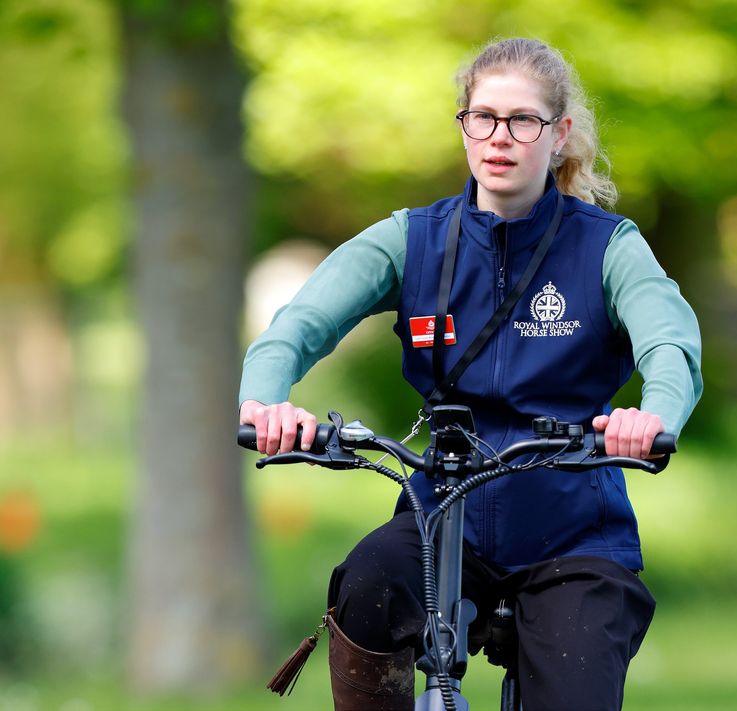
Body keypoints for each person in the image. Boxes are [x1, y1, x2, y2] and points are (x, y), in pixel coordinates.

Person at [240, 37, 702, 711]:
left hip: (572, 532)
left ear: (559, 131)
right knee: (368, 583)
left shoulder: (609, 247)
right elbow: (296, 327)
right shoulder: (411, 240)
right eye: (482, 117)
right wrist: (266, 405)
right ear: (463, 124)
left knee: (575, 682)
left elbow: (671, 345)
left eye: (523, 121)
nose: (500, 137)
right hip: (442, 516)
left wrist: (653, 416)